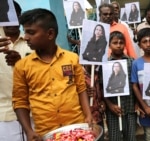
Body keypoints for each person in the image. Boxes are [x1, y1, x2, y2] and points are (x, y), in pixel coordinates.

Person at [12, 8, 92, 139]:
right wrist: (28, 130)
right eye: (25, 32)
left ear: (50, 34)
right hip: (46, 132)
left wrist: (88, 115)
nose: (26, 37)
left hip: (76, 127)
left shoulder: (72, 58)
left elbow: (80, 89)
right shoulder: (22, 66)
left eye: (31, 32)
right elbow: (20, 102)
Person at [0, 1, 32, 141]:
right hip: (5, 114)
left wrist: (21, 64)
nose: (11, 21)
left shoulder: (32, 41)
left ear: (20, 17)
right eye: (5, 16)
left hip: (35, 112)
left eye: (15, 15)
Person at [105, 31, 137, 141]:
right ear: (109, 45)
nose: (118, 45)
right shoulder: (105, 64)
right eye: (115, 43)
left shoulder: (131, 62)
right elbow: (102, 86)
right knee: (115, 138)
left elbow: (135, 85)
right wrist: (109, 105)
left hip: (130, 107)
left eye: (121, 42)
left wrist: (137, 103)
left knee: (131, 137)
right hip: (114, 108)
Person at [83, 65, 105, 141]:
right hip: (88, 118)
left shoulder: (97, 73)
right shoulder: (80, 75)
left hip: (99, 115)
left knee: (101, 137)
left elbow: (100, 90)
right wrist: (86, 94)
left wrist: (102, 102)